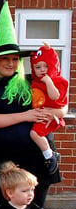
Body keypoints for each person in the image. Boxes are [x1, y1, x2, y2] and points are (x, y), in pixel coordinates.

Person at [0, 3, 64, 209]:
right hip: (3, 161)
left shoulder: (33, 83)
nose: (11, 63)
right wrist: (26, 115)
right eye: (5, 58)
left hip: (36, 158)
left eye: (15, 59)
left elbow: (60, 107)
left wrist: (55, 113)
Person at [29, 43, 68, 173]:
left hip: (48, 117)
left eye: (46, 66)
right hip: (40, 116)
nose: (42, 69)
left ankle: (50, 156)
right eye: (38, 67)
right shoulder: (34, 83)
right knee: (35, 133)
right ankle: (50, 155)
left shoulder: (57, 81)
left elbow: (56, 97)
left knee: (35, 133)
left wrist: (49, 82)